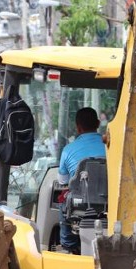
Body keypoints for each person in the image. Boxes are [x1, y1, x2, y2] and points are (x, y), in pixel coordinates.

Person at [57, 107, 106, 254]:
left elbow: (62, 180)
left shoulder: (68, 149)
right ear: (98, 123)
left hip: (80, 203)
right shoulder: (110, 146)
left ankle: (68, 244)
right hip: (109, 202)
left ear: (78, 128)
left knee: (62, 202)